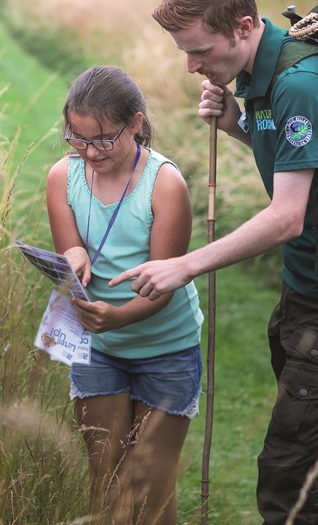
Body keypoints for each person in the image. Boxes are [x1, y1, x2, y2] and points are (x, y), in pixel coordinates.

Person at [109, 0, 318, 525]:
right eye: (185, 52)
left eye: (200, 51)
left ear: (245, 26)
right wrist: (237, 125)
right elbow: (311, 163)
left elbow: (287, 215)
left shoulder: (299, 83)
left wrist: (185, 265)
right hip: (306, 292)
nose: (191, 66)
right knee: (310, 468)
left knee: (286, 473)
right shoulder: (261, 79)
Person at [47, 66, 202, 525]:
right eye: (76, 138)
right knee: (106, 475)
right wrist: (73, 257)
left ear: (135, 123)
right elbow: (70, 245)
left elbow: (164, 284)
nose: (89, 152)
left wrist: (118, 317)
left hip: (166, 348)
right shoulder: (63, 176)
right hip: (98, 346)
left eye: (102, 140)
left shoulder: (165, 183)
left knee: (150, 483)